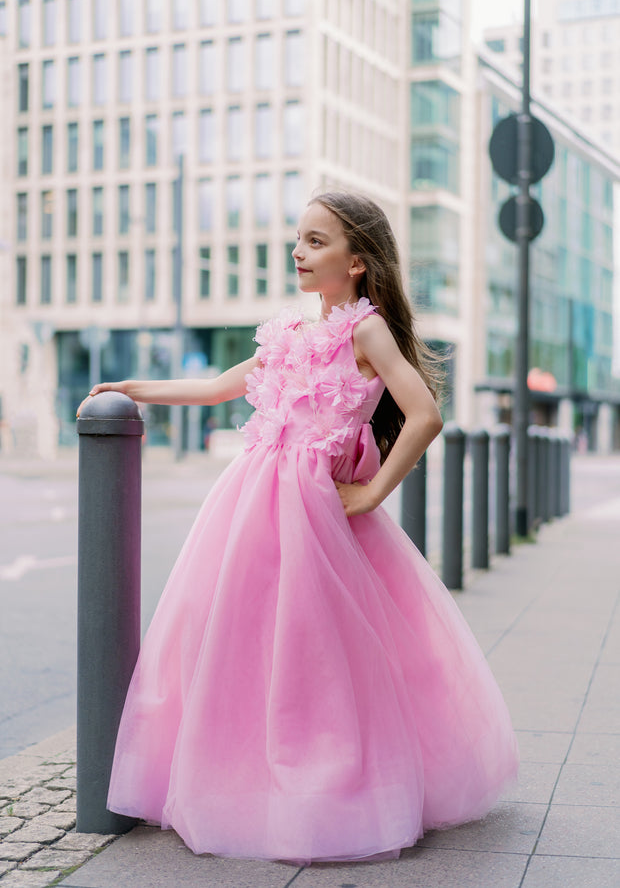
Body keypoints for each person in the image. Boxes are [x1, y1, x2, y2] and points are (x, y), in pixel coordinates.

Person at [77, 191, 518, 863]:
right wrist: (134, 389)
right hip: (252, 501)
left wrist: (372, 492)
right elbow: (221, 386)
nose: (298, 253)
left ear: (359, 261)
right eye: (299, 240)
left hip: (313, 512)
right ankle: (238, 774)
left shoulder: (364, 330)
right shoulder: (289, 332)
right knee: (242, 639)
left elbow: (424, 413)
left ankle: (324, 784)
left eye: (316, 242)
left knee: (312, 649)